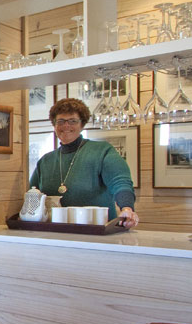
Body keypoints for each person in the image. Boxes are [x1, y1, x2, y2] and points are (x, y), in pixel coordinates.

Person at [29, 97, 139, 228]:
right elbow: (32, 194)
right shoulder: (45, 161)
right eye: (61, 121)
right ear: (54, 124)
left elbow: (120, 182)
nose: (66, 126)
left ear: (82, 124)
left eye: (72, 121)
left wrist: (126, 208)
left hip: (97, 232)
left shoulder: (102, 151)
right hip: (54, 233)